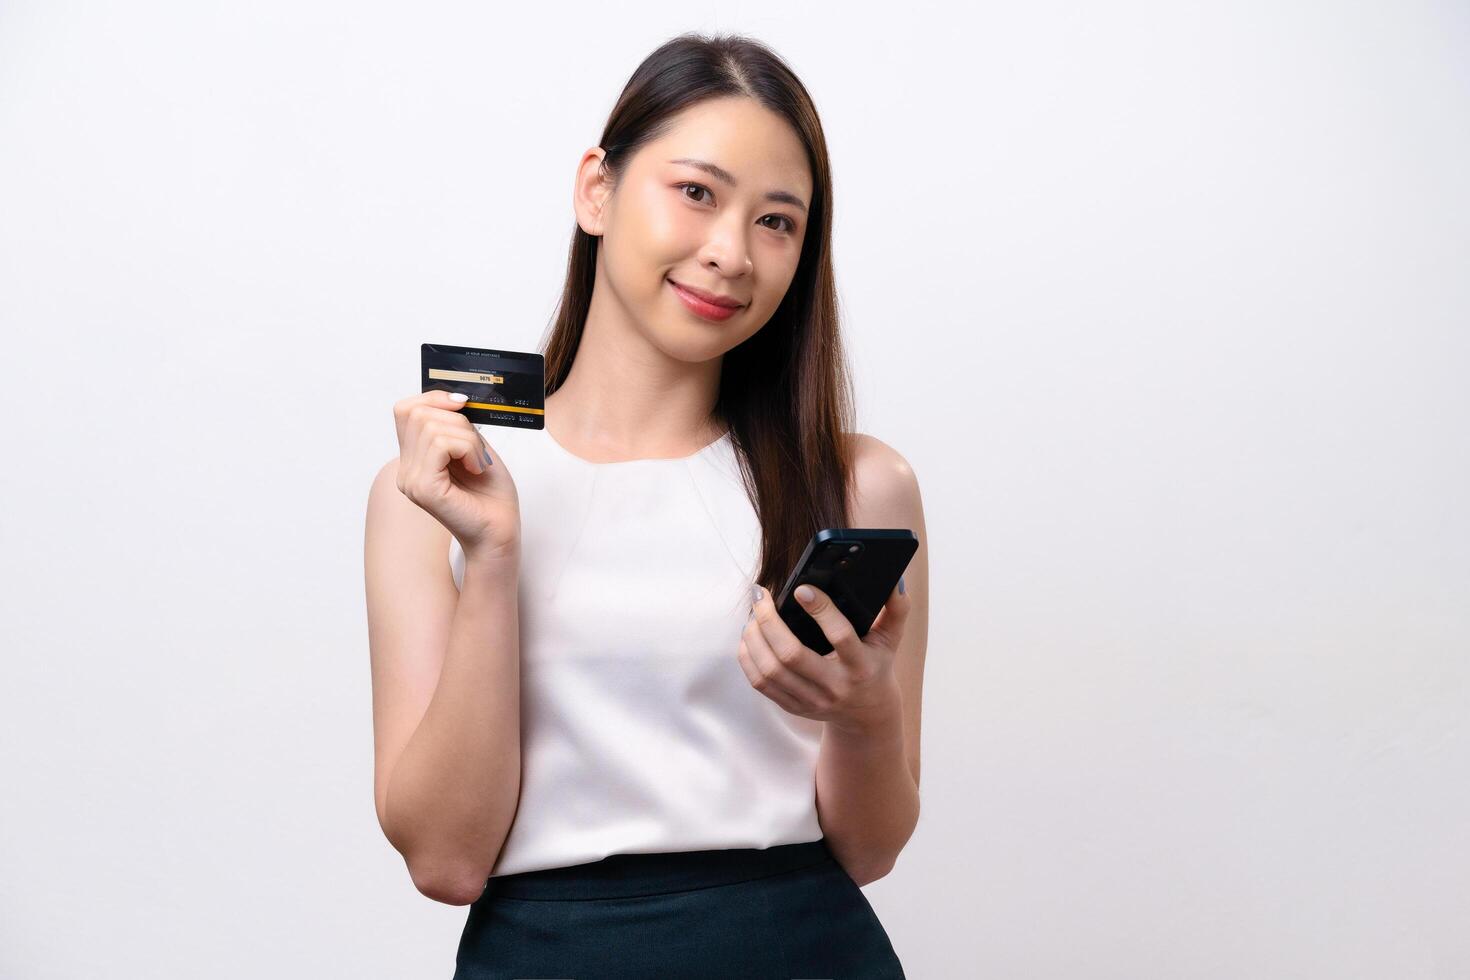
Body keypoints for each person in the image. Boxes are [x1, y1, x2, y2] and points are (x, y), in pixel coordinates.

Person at [364, 31, 929, 979]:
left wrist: (866, 716)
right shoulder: (440, 490)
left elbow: (870, 853)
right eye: (697, 192)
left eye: (777, 222)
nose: (731, 253)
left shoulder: (859, 485)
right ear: (597, 190)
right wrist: (496, 560)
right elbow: (445, 860)